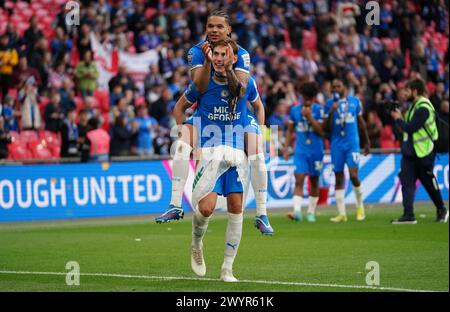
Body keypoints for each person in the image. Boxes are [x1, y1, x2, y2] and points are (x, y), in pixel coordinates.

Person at [155, 10, 272, 234]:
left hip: (238, 117)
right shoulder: (196, 52)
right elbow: (199, 87)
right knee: (180, 145)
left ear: (229, 30)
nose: (214, 30)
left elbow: (240, 91)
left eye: (219, 26)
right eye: (210, 26)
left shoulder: (242, 54)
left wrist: (262, 130)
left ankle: (262, 214)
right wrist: (184, 135)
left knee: (257, 153)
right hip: (206, 116)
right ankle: (175, 205)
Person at [180, 38, 251, 282]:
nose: (219, 58)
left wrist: (262, 141)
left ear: (234, 57)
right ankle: (196, 244)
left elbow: (258, 107)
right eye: (216, 54)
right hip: (210, 152)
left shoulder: (244, 82)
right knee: (206, 209)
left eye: (225, 54)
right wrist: (188, 140)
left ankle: (227, 269)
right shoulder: (202, 83)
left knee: (235, 208)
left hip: (236, 154)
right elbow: (181, 108)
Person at [390, 78, 448, 224]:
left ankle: (442, 209)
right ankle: (408, 215)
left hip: (424, 152)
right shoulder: (414, 107)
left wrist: (398, 119)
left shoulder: (423, 107)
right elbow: (407, 130)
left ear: (415, 91)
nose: (404, 93)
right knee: (406, 182)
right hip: (411, 152)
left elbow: (410, 128)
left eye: (407, 90)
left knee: (428, 183)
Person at [324, 78, 371, 223]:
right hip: (337, 144)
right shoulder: (329, 104)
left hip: (352, 144)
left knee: (353, 175)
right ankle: (341, 213)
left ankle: (360, 207)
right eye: (334, 87)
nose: (336, 89)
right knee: (338, 177)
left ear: (344, 87)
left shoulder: (355, 101)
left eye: (339, 86)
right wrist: (331, 112)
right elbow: (326, 127)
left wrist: (367, 141)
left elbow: (361, 121)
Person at [283, 81, 325, 222]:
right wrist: (286, 147)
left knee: (314, 180)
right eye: (304, 98)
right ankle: (297, 212)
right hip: (300, 150)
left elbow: (322, 131)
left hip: (316, 150)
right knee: (299, 179)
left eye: (309, 98)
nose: (306, 101)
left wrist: (309, 117)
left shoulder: (319, 110)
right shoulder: (295, 110)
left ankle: (311, 212)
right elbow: (290, 130)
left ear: (313, 98)